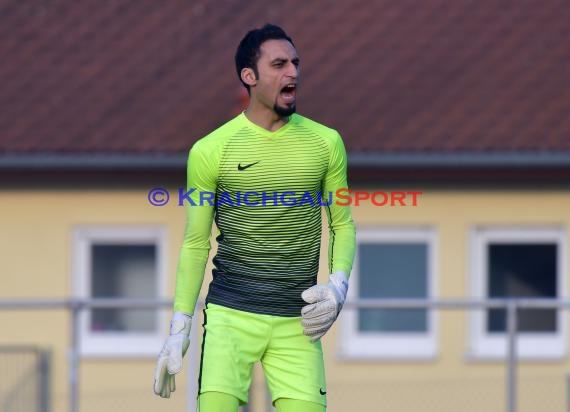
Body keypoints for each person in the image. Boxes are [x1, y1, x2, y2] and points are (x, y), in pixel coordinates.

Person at [153, 24, 355, 412]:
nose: (292, 72)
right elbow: (196, 242)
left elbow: (342, 223)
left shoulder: (326, 143)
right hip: (230, 317)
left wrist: (338, 288)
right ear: (249, 76)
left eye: (295, 63)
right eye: (278, 64)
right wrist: (179, 327)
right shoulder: (210, 150)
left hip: (298, 321)